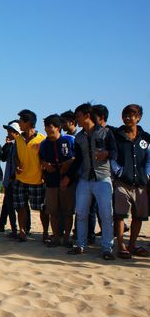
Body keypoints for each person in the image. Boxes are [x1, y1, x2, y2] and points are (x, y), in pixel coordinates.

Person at [65, 103, 117, 260]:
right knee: (80, 213)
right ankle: (80, 245)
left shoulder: (106, 132)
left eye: (78, 116)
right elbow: (78, 160)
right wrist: (68, 176)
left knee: (106, 214)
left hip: (103, 179)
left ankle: (107, 248)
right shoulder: (79, 137)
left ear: (87, 115)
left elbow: (115, 152)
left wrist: (106, 153)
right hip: (85, 179)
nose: (77, 119)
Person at [111, 104, 149, 259]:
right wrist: (119, 171)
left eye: (131, 115)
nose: (127, 118)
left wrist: (147, 175)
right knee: (119, 215)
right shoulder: (116, 135)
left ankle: (132, 245)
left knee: (138, 216)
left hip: (140, 184)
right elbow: (112, 157)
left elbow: (148, 159)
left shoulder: (145, 137)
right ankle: (121, 246)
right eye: (125, 115)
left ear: (138, 117)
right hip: (122, 183)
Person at [39, 115, 76, 247]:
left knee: (68, 212)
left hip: (67, 181)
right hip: (51, 182)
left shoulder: (69, 140)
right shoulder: (44, 144)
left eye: (50, 126)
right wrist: (45, 165)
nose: (47, 129)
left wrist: (67, 170)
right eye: (46, 126)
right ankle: (56, 238)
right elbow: (41, 159)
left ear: (58, 128)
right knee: (52, 212)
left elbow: (75, 159)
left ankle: (66, 237)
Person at [14, 109, 47, 242]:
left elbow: (45, 159)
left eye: (21, 121)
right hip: (20, 179)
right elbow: (16, 155)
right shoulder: (18, 139)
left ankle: (45, 233)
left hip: (37, 180)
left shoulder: (42, 139)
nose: (19, 123)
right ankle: (22, 231)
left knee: (42, 209)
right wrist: (17, 165)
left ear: (28, 122)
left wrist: (44, 174)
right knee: (20, 207)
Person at [0, 121, 22, 237]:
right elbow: (3, 157)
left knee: (15, 207)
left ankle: (17, 230)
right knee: (9, 205)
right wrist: (7, 144)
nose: (7, 133)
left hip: (15, 181)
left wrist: (13, 177)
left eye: (9, 131)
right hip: (9, 181)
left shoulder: (20, 145)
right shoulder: (12, 145)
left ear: (15, 132)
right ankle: (13, 229)